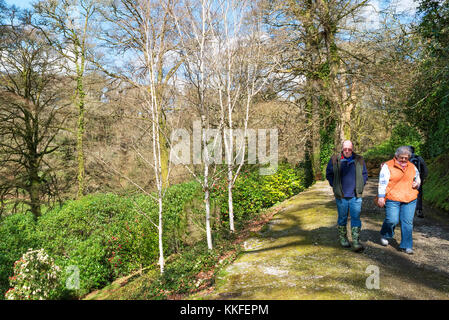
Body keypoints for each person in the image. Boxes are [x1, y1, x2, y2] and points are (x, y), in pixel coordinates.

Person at [326, 140, 368, 252]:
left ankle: (355, 241)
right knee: (342, 217)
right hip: (341, 195)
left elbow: (365, 174)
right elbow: (329, 174)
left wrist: (361, 185)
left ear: (352, 148)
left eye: (349, 149)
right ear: (342, 148)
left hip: (355, 195)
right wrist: (334, 185)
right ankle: (343, 239)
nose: (347, 151)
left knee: (356, 218)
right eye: (345, 149)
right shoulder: (335, 159)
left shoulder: (359, 159)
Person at [377, 146, 421, 255]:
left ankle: (407, 245)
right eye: (401, 158)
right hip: (393, 198)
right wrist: (381, 196)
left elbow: (417, 178)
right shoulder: (387, 166)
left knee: (407, 222)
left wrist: (417, 183)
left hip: (410, 198)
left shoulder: (412, 167)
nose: (404, 160)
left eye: (406, 158)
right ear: (396, 156)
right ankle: (386, 234)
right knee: (392, 220)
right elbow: (382, 182)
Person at [408, 146, 428, 218]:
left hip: (407, 179)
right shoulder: (419, 158)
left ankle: (407, 210)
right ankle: (419, 210)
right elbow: (425, 169)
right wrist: (422, 179)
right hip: (417, 179)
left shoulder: (405, 157)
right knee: (418, 194)